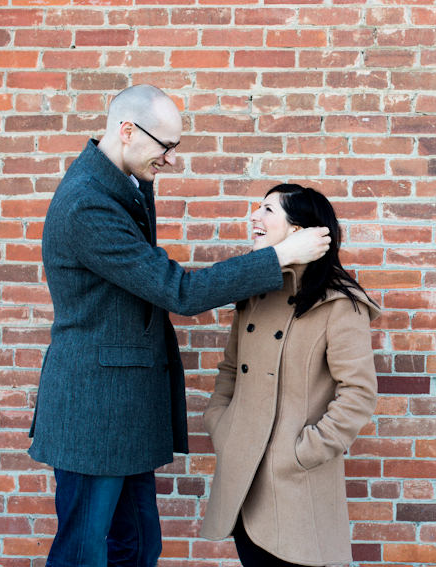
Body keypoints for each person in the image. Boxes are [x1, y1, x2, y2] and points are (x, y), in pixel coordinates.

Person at [28, 85, 331, 567]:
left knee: (140, 545)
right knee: (83, 552)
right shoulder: (89, 205)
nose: (170, 159)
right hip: (94, 410)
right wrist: (279, 256)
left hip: (124, 408)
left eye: (176, 147)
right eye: (165, 146)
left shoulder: (125, 183)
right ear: (126, 131)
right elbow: (178, 293)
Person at [200, 184, 379, 567]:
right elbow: (230, 369)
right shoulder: (255, 293)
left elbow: (358, 393)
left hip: (294, 478)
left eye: (267, 210)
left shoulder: (339, 304)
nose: (254, 217)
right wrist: (221, 423)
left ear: (298, 231)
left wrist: (301, 453)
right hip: (244, 475)